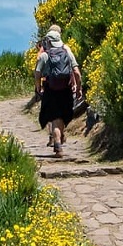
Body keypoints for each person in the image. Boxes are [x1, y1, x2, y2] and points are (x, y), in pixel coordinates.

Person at [34, 25, 79, 156]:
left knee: (54, 117)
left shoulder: (44, 55)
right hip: (66, 89)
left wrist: (38, 86)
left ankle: (57, 144)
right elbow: (76, 71)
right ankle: (58, 141)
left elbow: (37, 72)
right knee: (63, 116)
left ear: (48, 41)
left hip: (51, 88)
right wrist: (78, 86)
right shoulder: (67, 51)